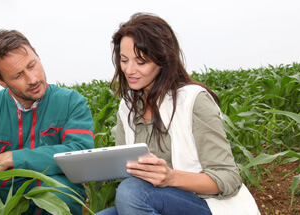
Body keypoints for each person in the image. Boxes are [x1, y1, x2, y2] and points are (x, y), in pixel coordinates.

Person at [96, 13, 260, 215]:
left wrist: (170, 177)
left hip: (207, 205)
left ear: (162, 60)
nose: (129, 70)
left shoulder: (193, 100)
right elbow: (126, 170)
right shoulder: (128, 106)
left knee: (132, 191)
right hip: (153, 199)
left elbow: (228, 177)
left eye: (140, 62)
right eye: (123, 60)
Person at [0, 29, 95, 215]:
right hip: (0, 204)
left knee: (59, 193)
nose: (33, 79)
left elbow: (81, 154)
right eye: (18, 76)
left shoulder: (71, 102)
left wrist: (11, 158)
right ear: (0, 81)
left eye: (32, 65)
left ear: (37, 53)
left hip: (51, 198)